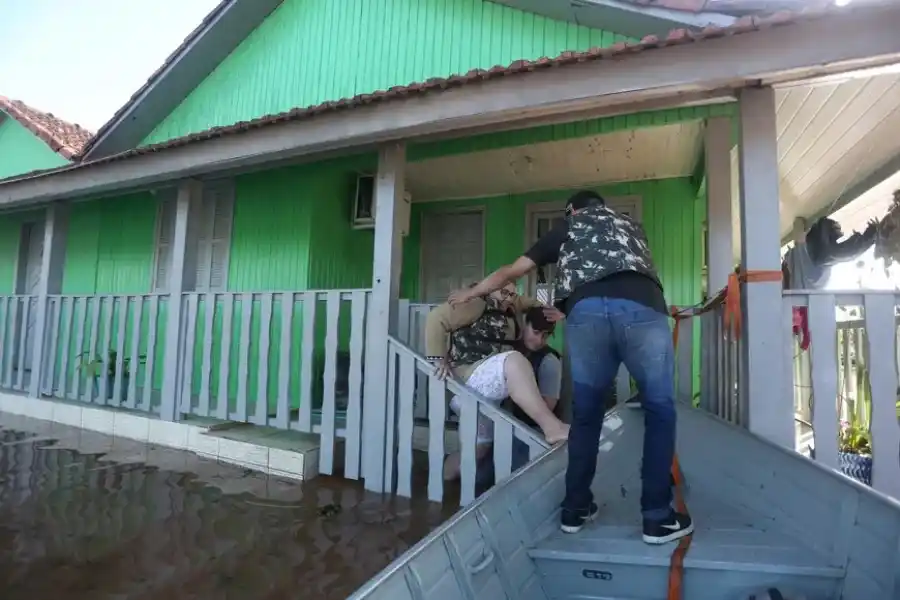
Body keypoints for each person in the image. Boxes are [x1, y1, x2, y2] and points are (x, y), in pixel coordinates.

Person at [449, 190, 691, 545]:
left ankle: (575, 509)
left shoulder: (569, 226)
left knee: (587, 415)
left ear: (573, 210)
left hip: (586, 315)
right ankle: (658, 518)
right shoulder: (631, 227)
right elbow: (620, 271)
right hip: (642, 308)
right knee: (660, 409)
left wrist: (471, 293)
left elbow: (512, 271)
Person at [424, 282, 569, 481]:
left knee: (478, 450)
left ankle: (441, 479)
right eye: (503, 292)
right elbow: (436, 318)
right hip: (470, 381)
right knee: (514, 361)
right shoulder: (476, 303)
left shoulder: (509, 305)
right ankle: (552, 427)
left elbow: (525, 302)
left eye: (512, 294)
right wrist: (438, 359)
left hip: (486, 394)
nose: (508, 297)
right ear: (489, 289)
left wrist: (552, 309)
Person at [475, 306, 563, 492]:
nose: (539, 340)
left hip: (529, 431)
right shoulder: (507, 351)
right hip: (499, 425)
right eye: (536, 332)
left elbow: (548, 405)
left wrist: (518, 390)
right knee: (478, 476)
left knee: (508, 483)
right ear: (525, 325)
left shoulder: (549, 361)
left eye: (546, 335)